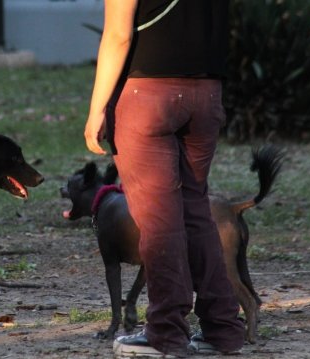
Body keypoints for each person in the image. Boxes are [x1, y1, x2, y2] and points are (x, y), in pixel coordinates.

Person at [84, 0, 245, 357]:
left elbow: (118, 34)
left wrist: (97, 109)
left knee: (159, 221)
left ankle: (165, 334)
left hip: (146, 95)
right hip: (206, 94)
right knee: (195, 212)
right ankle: (223, 329)